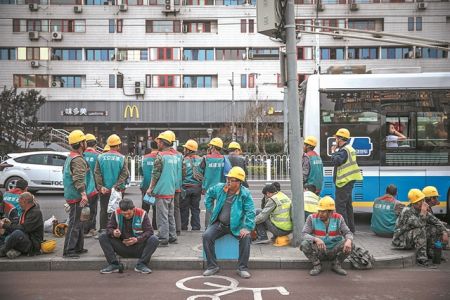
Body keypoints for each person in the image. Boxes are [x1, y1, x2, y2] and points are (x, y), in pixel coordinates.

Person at [202, 166, 255, 279]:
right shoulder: (220, 188)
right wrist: (210, 208)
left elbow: (250, 211)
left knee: (246, 237)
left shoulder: (245, 194)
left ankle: (242, 268)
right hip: (219, 224)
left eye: (232, 179)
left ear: (239, 182)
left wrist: (247, 227)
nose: (228, 181)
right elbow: (209, 194)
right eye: (228, 179)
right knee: (206, 236)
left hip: (237, 226)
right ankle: (212, 266)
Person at [98, 198, 159, 274]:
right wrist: (114, 232)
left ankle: (142, 264)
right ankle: (114, 264)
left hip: (138, 247)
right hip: (122, 246)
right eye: (124, 214)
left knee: (154, 239)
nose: (127, 216)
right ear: (120, 210)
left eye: (129, 214)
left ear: (133, 209)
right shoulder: (116, 213)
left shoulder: (142, 213)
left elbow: (149, 231)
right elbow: (108, 228)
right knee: (102, 236)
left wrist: (137, 239)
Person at [392, 189, 448, 267]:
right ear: (414, 203)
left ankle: (431, 253)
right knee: (420, 230)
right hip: (401, 240)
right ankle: (422, 260)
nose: (422, 202)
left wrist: (444, 231)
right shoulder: (407, 211)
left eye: (422, 200)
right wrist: (423, 212)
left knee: (434, 228)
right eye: (420, 201)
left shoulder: (420, 209)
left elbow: (435, 221)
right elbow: (420, 224)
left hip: (411, 237)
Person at [63, 130, 97, 259]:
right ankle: (69, 250)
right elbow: (78, 179)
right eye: (84, 142)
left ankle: (78, 247)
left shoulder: (71, 156)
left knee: (80, 222)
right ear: (81, 143)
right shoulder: (77, 160)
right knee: (75, 223)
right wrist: (83, 194)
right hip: (76, 196)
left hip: (73, 194)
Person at [300, 196, 354, 276]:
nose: (320, 214)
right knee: (304, 244)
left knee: (351, 244)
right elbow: (304, 234)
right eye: (319, 211)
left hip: (334, 250)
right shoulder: (311, 218)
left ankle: (336, 264)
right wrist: (315, 239)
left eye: (323, 212)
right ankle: (317, 265)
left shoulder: (339, 218)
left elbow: (348, 232)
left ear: (330, 212)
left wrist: (349, 241)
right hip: (320, 251)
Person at [146, 131, 178, 247]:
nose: (157, 143)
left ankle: (163, 238)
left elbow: (155, 174)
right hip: (171, 190)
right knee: (170, 215)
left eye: (159, 141)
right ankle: (172, 236)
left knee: (162, 216)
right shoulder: (174, 156)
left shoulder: (160, 156)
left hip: (161, 190)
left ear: (163, 143)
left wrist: (150, 188)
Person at [95, 134, 129, 234]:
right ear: (118, 145)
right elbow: (125, 173)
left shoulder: (100, 157)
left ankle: (103, 230)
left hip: (104, 190)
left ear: (109, 145)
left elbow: (97, 173)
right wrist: (117, 185)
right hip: (118, 190)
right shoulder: (122, 158)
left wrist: (101, 186)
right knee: (118, 210)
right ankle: (117, 230)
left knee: (104, 209)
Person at [330, 128, 363, 233]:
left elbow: (336, 161)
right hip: (348, 181)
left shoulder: (344, 150)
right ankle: (350, 229)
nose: (335, 140)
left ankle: (343, 231)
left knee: (340, 207)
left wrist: (333, 152)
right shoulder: (349, 149)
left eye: (336, 138)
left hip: (343, 182)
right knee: (348, 206)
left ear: (340, 139)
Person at [0, 192, 43, 259]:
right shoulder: (25, 210)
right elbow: (19, 224)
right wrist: (9, 223)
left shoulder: (35, 213)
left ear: (24, 201)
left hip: (33, 245)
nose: (18, 203)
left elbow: (23, 228)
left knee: (16, 233)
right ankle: (9, 248)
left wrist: (4, 225)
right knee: (5, 235)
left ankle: (2, 251)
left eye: (19, 201)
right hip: (25, 237)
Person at [200, 137, 225, 228]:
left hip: (208, 188)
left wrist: (203, 185)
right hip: (222, 187)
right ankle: (218, 227)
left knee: (209, 209)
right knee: (220, 209)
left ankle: (208, 228)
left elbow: (199, 172)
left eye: (210, 146)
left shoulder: (206, 158)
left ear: (213, 147)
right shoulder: (224, 159)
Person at [181, 139, 203, 231]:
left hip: (186, 188)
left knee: (184, 209)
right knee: (195, 208)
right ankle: (196, 226)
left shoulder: (182, 160)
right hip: (197, 188)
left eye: (185, 148)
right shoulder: (201, 160)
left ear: (188, 150)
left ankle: (183, 226)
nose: (184, 150)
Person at [83, 133, 100, 237]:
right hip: (93, 188)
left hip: (81, 187)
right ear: (95, 144)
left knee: (83, 209)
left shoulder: (80, 155)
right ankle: (91, 229)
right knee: (93, 209)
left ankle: (83, 229)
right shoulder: (98, 156)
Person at [422, 186, 449, 251]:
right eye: (436, 197)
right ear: (431, 198)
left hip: (423, 230)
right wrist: (445, 231)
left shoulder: (427, 206)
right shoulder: (425, 208)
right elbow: (434, 222)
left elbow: (433, 220)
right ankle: (433, 249)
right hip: (422, 232)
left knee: (441, 227)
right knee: (436, 229)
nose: (437, 199)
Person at [140, 141, 158, 229]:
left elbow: (141, 171)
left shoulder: (145, 158)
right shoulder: (161, 157)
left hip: (146, 186)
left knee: (145, 208)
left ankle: (144, 226)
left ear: (151, 147)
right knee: (156, 209)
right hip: (157, 187)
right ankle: (155, 226)